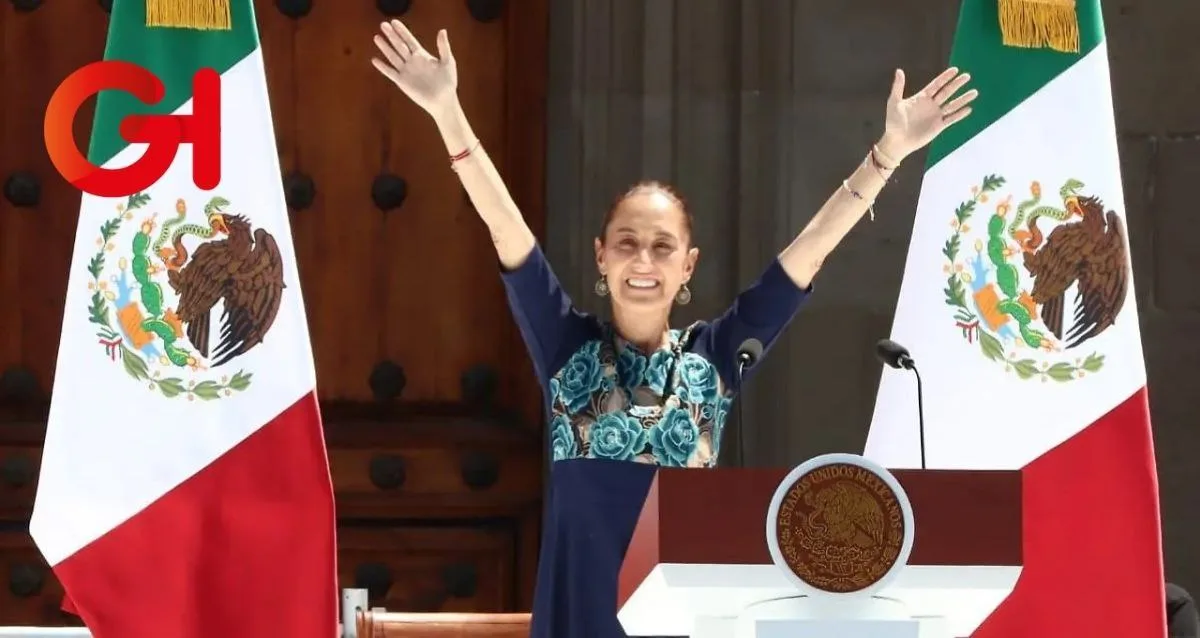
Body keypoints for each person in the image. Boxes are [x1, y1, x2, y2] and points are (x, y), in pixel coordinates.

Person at [371, 19, 977, 638]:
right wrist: (447, 111)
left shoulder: (714, 361)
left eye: (663, 247)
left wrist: (886, 156)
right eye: (627, 244)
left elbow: (807, 255)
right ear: (600, 257)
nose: (643, 261)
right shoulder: (565, 348)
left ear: (687, 265)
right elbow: (505, 227)